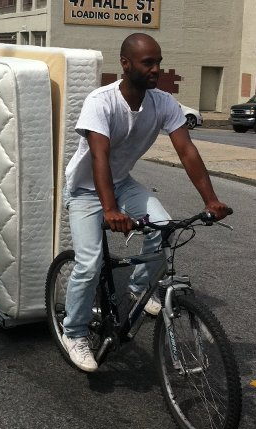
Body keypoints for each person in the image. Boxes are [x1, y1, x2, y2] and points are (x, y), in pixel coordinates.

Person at [61, 33, 231, 373]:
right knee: (90, 264)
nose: (156, 69)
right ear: (126, 64)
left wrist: (211, 200)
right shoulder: (102, 101)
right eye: (147, 63)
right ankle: (74, 332)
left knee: (164, 226)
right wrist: (109, 210)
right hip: (86, 190)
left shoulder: (163, 103)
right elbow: (100, 155)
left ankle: (138, 292)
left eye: (158, 62)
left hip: (122, 183)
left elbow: (186, 150)